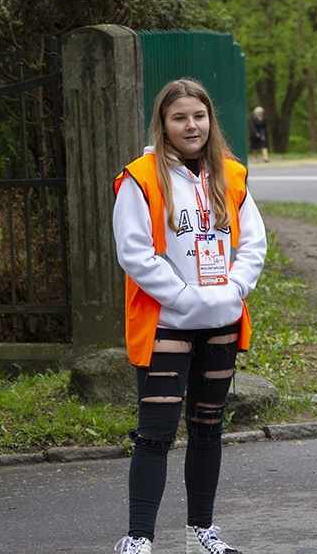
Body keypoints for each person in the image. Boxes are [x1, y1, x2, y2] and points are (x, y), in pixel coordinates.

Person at [112, 79, 267, 554]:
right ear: (163, 124)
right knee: (155, 432)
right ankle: (139, 539)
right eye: (179, 117)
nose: (191, 125)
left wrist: (234, 289)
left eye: (198, 116)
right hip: (166, 321)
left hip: (221, 317)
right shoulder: (140, 177)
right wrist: (183, 297)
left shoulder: (232, 174)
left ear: (209, 120)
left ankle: (201, 532)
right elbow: (134, 253)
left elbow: (253, 243)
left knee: (207, 428)